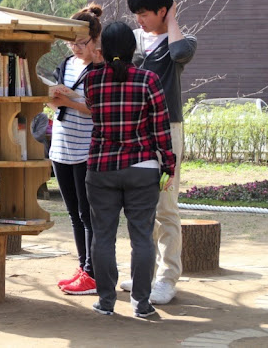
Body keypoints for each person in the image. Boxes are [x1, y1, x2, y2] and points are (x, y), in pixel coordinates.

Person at [84, 21, 176, 318]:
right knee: (141, 236)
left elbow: (92, 109)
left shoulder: (92, 80)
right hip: (142, 167)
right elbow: (161, 129)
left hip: (101, 167)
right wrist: (169, 164)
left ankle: (106, 301)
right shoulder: (149, 79)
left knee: (103, 236)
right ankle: (141, 303)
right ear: (132, 48)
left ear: (104, 49)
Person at [121, 0, 197, 305]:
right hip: (138, 131)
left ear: (163, 10)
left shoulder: (182, 40)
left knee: (166, 207)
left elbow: (179, 53)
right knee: (141, 207)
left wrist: (174, 19)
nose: (138, 19)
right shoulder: (134, 41)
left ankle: (168, 278)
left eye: (145, 13)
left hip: (168, 129)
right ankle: (144, 273)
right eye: (136, 13)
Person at [49, 3, 103, 295]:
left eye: (81, 43)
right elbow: (58, 95)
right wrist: (52, 97)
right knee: (72, 213)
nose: (75, 48)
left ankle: (93, 273)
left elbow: (98, 110)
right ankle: (83, 267)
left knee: (87, 213)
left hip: (86, 148)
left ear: (95, 40)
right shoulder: (66, 65)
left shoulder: (100, 67)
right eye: (71, 42)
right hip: (61, 146)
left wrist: (68, 101)